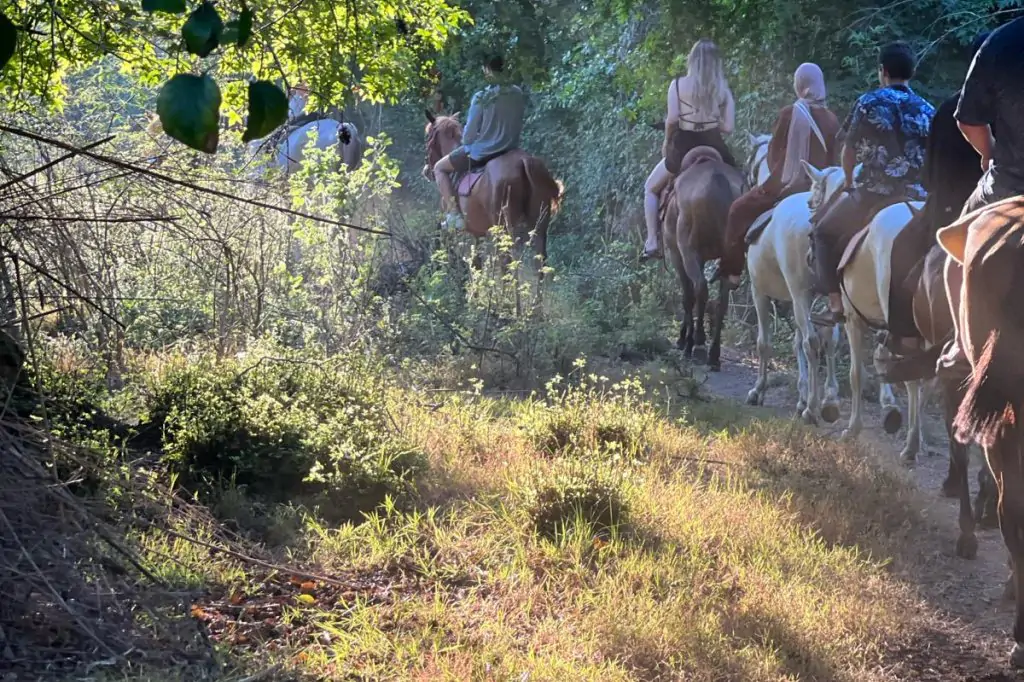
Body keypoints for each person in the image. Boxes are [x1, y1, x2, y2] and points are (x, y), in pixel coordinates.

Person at [810, 41, 935, 324]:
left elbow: (849, 149)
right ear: (911, 73)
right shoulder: (927, 108)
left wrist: (850, 183)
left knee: (822, 233)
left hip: (875, 192)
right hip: (918, 195)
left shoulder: (868, 102)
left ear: (883, 71)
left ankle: (834, 303)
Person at [885, 32, 990, 349]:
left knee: (902, 246)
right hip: (1008, 201)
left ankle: (904, 336)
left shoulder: (950, 110)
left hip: (953, 207)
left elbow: (931, 175)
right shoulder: (1013, 106)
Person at [938, 17, 1024, 377]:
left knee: (956, 251)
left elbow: (968, 120)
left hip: (1011, 183)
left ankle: (962, 343)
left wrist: (987, 153)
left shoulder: (1002, 41)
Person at [720, 63, 840, 284]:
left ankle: (733, 273)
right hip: (819, 189)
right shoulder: (832, 119)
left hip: (785, 187)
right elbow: (833, 161)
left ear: (800, 85)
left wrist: (777, 180)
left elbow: (773, 156)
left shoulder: (789, 113)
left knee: (737, 210)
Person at [642, 38, 737, 260]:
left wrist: (667, 141)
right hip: (714, 143)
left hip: (684, 144)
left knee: (650, 188)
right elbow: (729, 127)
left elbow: (673, 119)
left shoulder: (677, 85)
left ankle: (652, 242)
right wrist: (711, 121)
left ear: (692, 61)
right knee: (742, 182)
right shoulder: (723, 90)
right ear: (716, 63)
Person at [432, 54, 526, 231]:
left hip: (483, 152)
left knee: (439, 167)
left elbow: (468, 137)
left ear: (488, 71)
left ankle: (454, 216)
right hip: (511, 149)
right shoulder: (517, 92)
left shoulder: (482, 97)